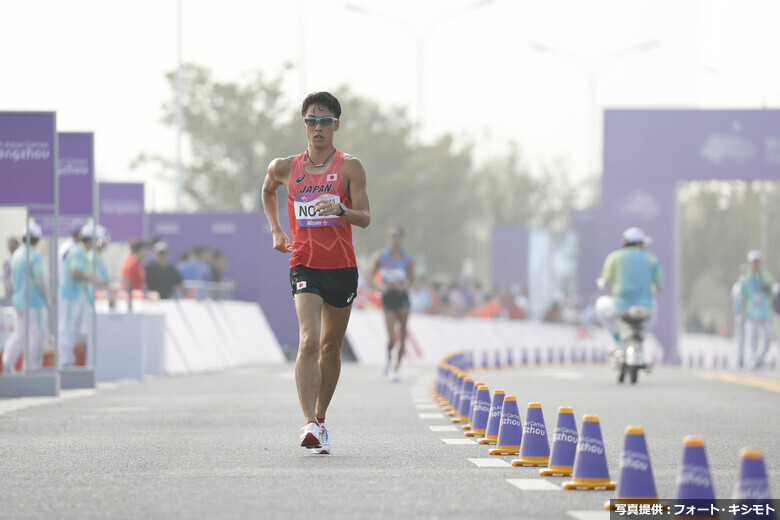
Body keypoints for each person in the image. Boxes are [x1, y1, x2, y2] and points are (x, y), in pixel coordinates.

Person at [261, 91, 371, 455]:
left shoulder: (350, 166)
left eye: (325, 120)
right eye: (311, 120)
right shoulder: (285, 167)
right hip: (304, 262)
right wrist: (276, 230)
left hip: (341, 266)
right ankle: (309, 423)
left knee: (331, 348)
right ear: (304, 125)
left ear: (336, 125)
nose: (318, 127)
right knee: (308, 341)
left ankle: (321, 418)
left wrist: (341, 208)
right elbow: (267, 191)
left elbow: (366, 218)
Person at [595, 227, 663, 350]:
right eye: (642, 243)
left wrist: (600, 283)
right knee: (654, 306)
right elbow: (659, 286)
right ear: (638, 243)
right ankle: (642, 336)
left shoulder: (614, 258)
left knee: (600, 304)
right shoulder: (651, 259)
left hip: (619, 307)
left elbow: (604, 284)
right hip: (645, 309)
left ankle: (617, 339)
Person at [2, 223, 49, 372]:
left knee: (19, 334)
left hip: (19, 302)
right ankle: (32, 367)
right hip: (34, 303)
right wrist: (48, 296)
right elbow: (41, 279)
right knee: (36, 335)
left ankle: (7, 364)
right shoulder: (34, 256)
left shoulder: (16, 255)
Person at [371, 225, 414, 382]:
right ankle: (388, 358)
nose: (394, 239)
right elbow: (371, 278)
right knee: (391, 338)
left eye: (397, 236)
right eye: (391, 236)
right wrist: (380, 286)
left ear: (401, 239)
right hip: (388, 297)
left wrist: (404, 286)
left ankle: (396, 368)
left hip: (402, 298)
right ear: (388, 238)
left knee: (402, 334)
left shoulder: (407, 260)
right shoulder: (381, 257)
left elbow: (412, 281)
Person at [58, 223, 93, 368]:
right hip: (69, 295)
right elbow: (74, 271)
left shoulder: (81, 251)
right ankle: (65, 362)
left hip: (75, 295)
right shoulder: (76, 251)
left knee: (73, 328)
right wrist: (89, 279)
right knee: (67, 327)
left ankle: (68, 361)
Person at [738, 250, 774, 369]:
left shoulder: (766, 276)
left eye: (757, 262)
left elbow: (771, 292)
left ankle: (760, 357)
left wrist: (765, 286)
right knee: (751, 338)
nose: (756, 265)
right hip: (751, 313)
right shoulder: (745, 278)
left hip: (765, 313)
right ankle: (752, 359)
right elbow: (742, 296)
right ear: (749, 263)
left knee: (768, 336)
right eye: (753, 262)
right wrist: (742, 312)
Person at [2, 236, 20, 306]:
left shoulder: (20, 259)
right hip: (9, 292)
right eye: (10, 245)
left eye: (13, 244)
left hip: (19, 292)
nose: (12, 247)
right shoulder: (7, 261)